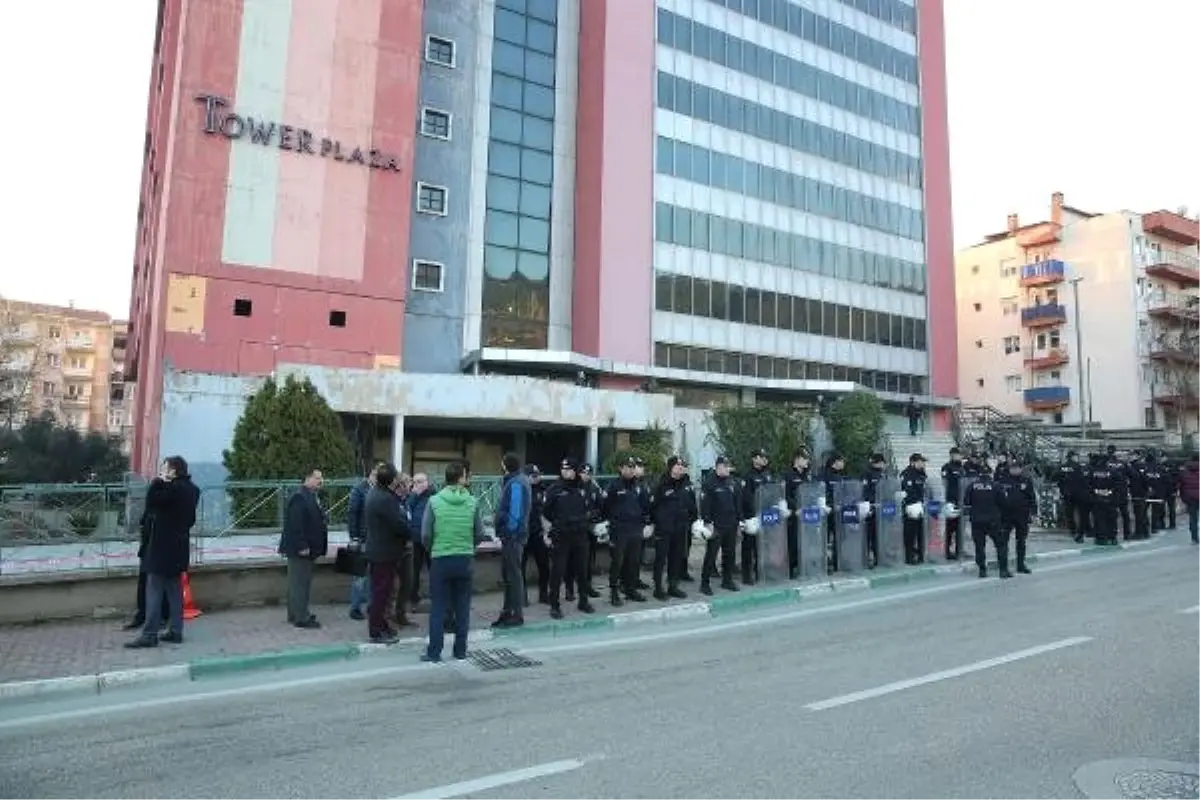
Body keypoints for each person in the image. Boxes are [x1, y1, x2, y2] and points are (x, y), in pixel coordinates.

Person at [125, 456, 201, 648]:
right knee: (175, 590)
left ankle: (150, 634)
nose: (162, 470)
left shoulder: (170, 489)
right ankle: (176, 630)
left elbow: (151, 500)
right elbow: (190, 519)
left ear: (173, 470)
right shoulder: (192, 490)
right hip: (179, 547)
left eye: (165, 468)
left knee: (154, 589)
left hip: (161, 548)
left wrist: (158, 481)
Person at [421, 461, 486, 662]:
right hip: (464, 559)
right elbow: (479, 533)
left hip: (440, 559)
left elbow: (425, 534)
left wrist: (434, 549)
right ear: (460, 478)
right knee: (462, 607)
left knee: (438, 607)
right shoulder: (473, 502)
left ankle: (434, 652)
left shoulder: (433, 501)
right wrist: (469, 548)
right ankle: (460, 650)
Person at [364, 463, 411, 644]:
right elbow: (399, 524)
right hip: (385, 552)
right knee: (381, 594)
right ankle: (376, 630)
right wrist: (409, 531)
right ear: (391, 480)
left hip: (379, 550)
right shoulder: (386, 499)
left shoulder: (374, 493)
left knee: (382, 592)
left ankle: (382, 626)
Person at [543, 458, 594, 619]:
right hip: (561, 536)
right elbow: (546, 512)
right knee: (558, 571)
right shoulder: (554, 489)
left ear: (575, 471)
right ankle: (554, 605)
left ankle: (583, 601)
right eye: (563, 469)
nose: (565, 471)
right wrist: (551, 530)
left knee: (582, 570)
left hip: (580, 535)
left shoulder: (583, 488)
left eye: (569, 469)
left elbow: (589, 509)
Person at [279, 469, 329, 629]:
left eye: (321, 478)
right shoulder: (299, 497)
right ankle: (301, 617)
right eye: (317, 478)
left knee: (300, 583)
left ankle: (296, 613)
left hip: (308, 549)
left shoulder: (311, 496)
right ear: (307, 478)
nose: (321, 481)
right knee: (300, 584)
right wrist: (302, 546)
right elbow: (295, 525)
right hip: (301, 550)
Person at [601, 455, 651, 605]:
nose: (630, 470)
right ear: (620, 469)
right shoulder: (613, 486)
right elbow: (605, 508)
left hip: (635, 529)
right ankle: (614, 592)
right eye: (627, 467)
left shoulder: (639, 486)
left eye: (632, 467)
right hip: (619, 530)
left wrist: (647, 523)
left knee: (633, 561)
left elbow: (645, 506)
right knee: (617, 562)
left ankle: (630, 590)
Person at [650, 456, 697, 600]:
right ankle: (658, 588)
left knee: (676, 558)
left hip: (681, 527)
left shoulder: (687, 484)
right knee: (660, 559)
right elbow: (652, 506)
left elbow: (692, 505)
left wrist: (692, 520)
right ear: (670, 467)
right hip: (664, 529)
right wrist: (654, 523)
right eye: (677, 466)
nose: (680, 468)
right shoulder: (661, 484)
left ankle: (673, 586)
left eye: (682, 466)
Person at [493, 452, 531, 629]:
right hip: (514, 537)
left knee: (513, 576)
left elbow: (515, 513)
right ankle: (508, 612)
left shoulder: (515, 483)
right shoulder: (518, 480)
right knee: (509, 575)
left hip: (513, 538)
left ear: (504, 465)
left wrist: (508, 532)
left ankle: (515, 614)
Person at [122, 497, 171, 632]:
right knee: (144, 583)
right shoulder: (151, 506)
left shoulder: (168, 501)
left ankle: (162, 616)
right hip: (148, 547)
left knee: (161, 584)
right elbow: (143, 523)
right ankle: (142, 614)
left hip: (160, 549)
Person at [699, 456, 741, 594]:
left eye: (729, 466)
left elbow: (737, 503)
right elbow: (704, 505)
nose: (728, 468)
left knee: (729, 554)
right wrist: (707, 522)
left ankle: (727, 581)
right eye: (726, 466)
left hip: (731, 524)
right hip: (716, 526)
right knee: (711, 555)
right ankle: (704, 583)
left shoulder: (732, 482)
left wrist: (739, 521)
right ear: (718, 467)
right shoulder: (709, 483)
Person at [347, 463, 383, 621]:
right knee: (360, 575)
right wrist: (354, 536)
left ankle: (370, 606)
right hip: (362, 538)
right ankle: (355, 607)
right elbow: (352, 513)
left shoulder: (381, 489)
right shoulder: (360, 489)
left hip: (377, 538)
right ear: (373, 473)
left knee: (374, 575)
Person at [565, 464, 604, 600]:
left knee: (588, 561)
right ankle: (569, 589)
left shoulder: (594, 488)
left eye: (588, 473)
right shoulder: (573, 487)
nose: (586, 475)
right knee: (570, 561)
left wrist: (592, 514)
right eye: (583, 473)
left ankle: (587, 586)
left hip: (590, 529)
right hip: (575, 530)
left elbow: (601, 506)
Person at [963, 468, 1008, 579]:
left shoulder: (972, 486)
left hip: (977, 520)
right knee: (1001, 545)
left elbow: (967, 502)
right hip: (993, 520)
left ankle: (982, 570)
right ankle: (1003, 570)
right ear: (990, 474)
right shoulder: (996, 486)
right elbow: (1003, 502)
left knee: (979, 546)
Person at [739, 448, 773, 585]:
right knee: (748, 547)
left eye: (765, 457)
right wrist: (752, 513)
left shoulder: (767, 475)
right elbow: (746, 497)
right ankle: (747, 575)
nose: (764, 459)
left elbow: (771, 492)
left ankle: (761, 572)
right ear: (754, 459)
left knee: (763, 546)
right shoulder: (748, 476)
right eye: (761, 457)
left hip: (765, 515)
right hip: (751, 516)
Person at [998, 460, 1036, 574]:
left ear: (1020, 469)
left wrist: (1033, 513)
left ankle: (1021, 565)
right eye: (1012, 468)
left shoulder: (1026, 480)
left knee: (1021, 541)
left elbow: (1032, 497)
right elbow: (997, 497)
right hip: (1006, 516)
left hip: (1022, 515)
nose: (1014, 470)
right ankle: (1003, 568)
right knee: (1003, 542)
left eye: (1017, 468)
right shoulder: (1003, 480)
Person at [521, 465, 551, 605]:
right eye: (533, 475)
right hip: (524, 534)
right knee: (520, 567)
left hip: (539, 534)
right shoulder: (520, 490)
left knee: (544, 566)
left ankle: (544, 595)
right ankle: (522, 597)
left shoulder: (543, 490)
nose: (537, 477)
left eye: (538, 475)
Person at [784, 449, 813, 577]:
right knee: (793, 542)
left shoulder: (806, 476)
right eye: (805, 458)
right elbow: (785, 495)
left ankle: (803, 566)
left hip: (807, 514)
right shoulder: (789, 475)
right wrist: (796, 508)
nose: (807, 461)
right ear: (797, 459)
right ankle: (790, 569)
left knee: (806, 541)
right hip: (794, 514)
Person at [405, 473, 432, 606]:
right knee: (414, 569)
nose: (417, 485)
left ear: (427, 482)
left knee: (433, 568)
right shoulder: (412, 496)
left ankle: (436, 596)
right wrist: (414, 495)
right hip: (416, 538)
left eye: (420, 481)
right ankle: (413, 596)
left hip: (430, 539)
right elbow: (407, 510)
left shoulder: (433, 495)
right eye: (415, 482)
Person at [1056, 451, 1089, 544]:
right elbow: (1085, 480)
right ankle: (1080, 532)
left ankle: (1073, 530)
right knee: (1082, 514)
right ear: (1073, 457)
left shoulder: (1062, 467)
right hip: (1080, 494)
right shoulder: (1079, 467)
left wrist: (1062, 488)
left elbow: (1056, 477)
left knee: (1069, 513)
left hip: (1067, 494)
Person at [900, 453, 927, 564]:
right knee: (910, 533)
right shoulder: (907, 474)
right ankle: (909, 556)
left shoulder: (922, 474)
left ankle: (920, 555)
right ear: (913, 462)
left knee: (920, 532)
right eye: (921, 461)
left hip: (921, 506)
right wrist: (915, 502)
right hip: (910, 506)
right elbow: (908, 490)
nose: (923, 464)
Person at [1087, 453, 1120, 546]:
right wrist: (1111, 493)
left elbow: (1088, 485)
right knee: (1111, 519)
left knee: (1099, 519)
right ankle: (1112, 538)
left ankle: (1101, 539)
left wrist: (1095, 493)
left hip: (1097, 498)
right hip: (1110, 498)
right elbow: (1119, 485)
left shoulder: (1093, 471)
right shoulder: (1113, 472)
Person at [822, 454, 848, 572]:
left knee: (840, 537)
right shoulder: (824, 475)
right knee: (825, 539)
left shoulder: (840, 476)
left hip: (839, 512)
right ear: (835, 462)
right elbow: (822, 493)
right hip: (828, 512)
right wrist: (829, 506)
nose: (843, 464)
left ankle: (838, 562)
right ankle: (825, 563)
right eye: (841, 461)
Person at [861, 452, 887, 568]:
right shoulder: (867, 474)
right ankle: (866, 559)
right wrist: (871, 504)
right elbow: (865, 491)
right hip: (870, 509)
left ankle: (878, 558)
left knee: (878, 535)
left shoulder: (882, 475)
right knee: (868, 535)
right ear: (879, 463)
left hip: (881, 509)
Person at [940, 447, 966, 561]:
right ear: (952, 455)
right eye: (957, 455)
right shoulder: (947, 467)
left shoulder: (962, 468)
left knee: (960, 528)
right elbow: (945, 484)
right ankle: (947, 551)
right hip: (951, 501)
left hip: (961, 501)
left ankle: (959, 550)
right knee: (950, 528)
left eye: (960, 455)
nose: (959, 456)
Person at [632, 457, 652, 590]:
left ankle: (635, 579)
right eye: (639, 466)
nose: (642, 469)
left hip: (642, 524)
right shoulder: (628, 484)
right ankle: (625, 582)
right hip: (631, 525)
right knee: (629, 556)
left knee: (638, 555)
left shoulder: (644, 483)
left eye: (642, 466)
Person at [1178, 453, 1200, 544]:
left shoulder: (1184, 472)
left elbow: (1181, 486)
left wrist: (1184, 498)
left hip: (1190, 497)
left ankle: (1194, 538)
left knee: (1193, 518)